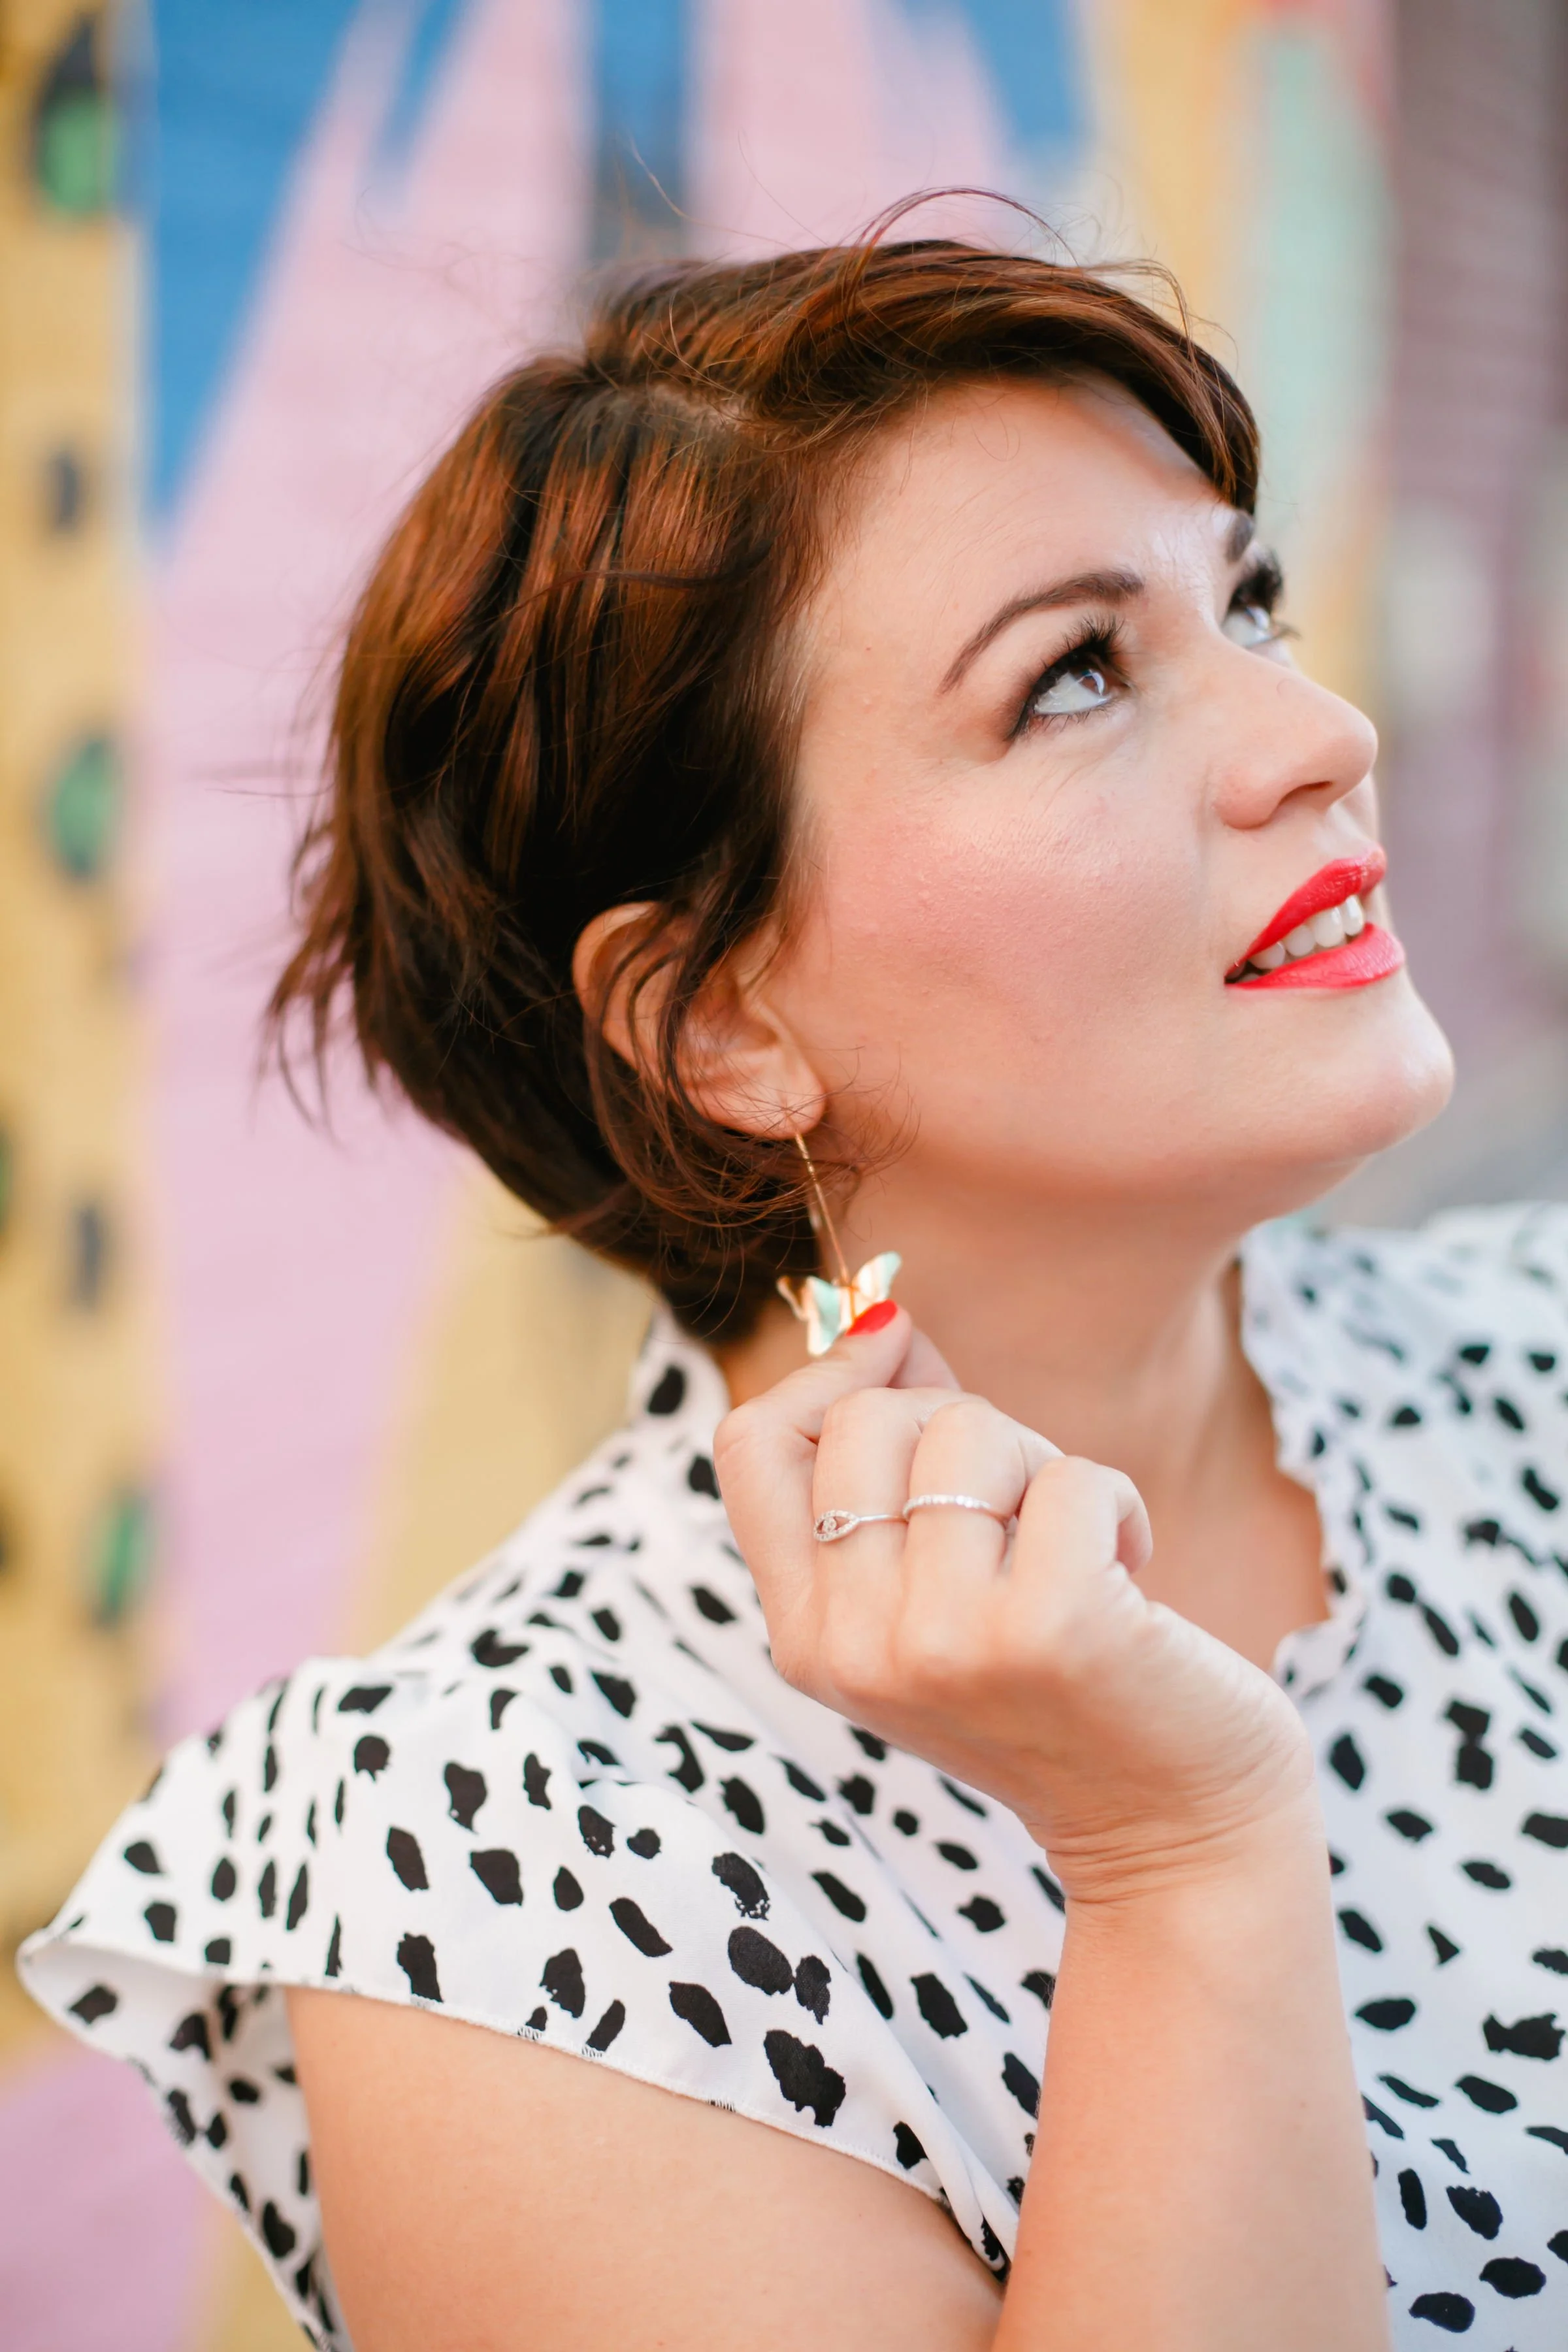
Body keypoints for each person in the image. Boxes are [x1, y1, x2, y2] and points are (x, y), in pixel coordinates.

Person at [22, 225, 1568, 2352]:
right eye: (1078, 678)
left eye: (1250, 601)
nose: (1322, 733)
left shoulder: (1538, 1368)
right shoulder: (497, 1864)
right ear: (722, 1020)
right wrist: (1173, 1851)